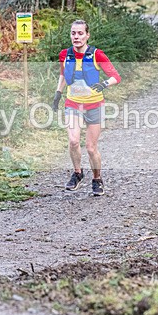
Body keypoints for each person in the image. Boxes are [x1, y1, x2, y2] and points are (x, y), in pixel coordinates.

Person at [51, 19, 121, 196]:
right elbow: (63, 74)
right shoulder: (65, 55)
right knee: (73, 141)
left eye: (80, 33)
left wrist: (104, 84)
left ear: (87, 35)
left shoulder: (97, 55)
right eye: (73, 33)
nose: (76, 37)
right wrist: (58, 93)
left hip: (94, 105)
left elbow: (116, 76)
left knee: (91, 148)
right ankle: (77, 173)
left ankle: (97, 179)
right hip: (73, 104)